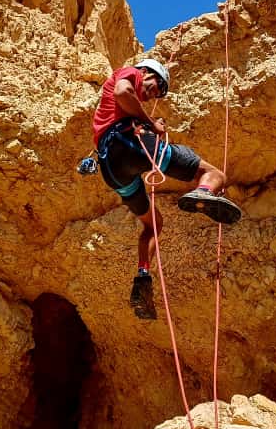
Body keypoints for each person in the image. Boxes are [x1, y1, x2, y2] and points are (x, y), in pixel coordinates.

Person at [92, 58, 242, 320]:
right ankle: (204, 192)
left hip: (112, 169)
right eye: (157, 86)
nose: (154, 95)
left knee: (154, 224)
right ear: (147, 72)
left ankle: (142, 278)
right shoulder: (131, 73)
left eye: (159, 93)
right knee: (213, 174)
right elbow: (122, 92)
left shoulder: (124, 100)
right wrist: (150, 124)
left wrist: (143, 120)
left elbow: (121, 100)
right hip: (127, 143)